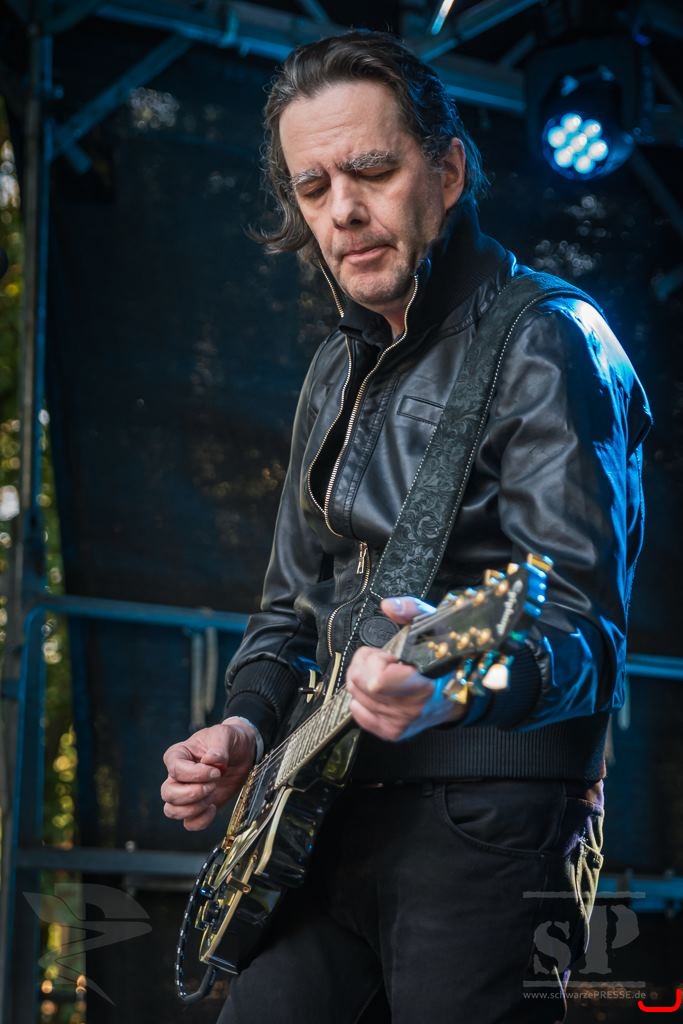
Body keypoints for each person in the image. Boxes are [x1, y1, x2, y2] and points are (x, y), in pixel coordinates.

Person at [161, 30, 651, 1023]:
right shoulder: (331, 370)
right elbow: (289, 605)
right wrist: (245, 724)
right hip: (322, 807)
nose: (342, 210)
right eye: (313, 188)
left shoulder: (548, 339)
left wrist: (452, 686)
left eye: (372, 171)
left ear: (448, 172)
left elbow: (579, 626)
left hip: (489, 820)